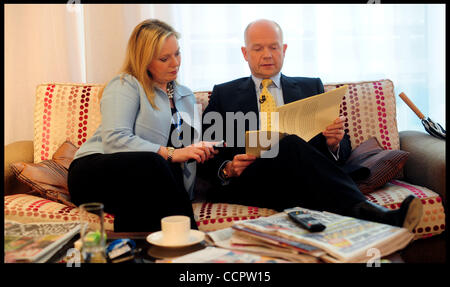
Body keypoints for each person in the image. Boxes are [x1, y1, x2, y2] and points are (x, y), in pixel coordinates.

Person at [199, 19, 422, 231]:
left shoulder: (310, 87)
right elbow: (205, 153)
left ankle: (353, 218)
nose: (267, 55)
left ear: (284, 49)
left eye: (274, 47)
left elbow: (343, 149)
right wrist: (228, 168)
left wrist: (334, 144)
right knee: (289, 143)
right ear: (245, 53)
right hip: (252, 180)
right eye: (258, 49)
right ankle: (372, 213)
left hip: (301, 178)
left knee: (291, 148)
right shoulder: (223, 94)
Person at [68, 19, 218, 232]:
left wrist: (199, 150)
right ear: (144, 60)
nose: (175, 63)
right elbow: (114, 140)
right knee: (154, 162)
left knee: (144, 191)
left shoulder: (186, 96)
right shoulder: (126, 85)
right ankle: (192, 245)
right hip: (94, 170)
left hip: (146, 177)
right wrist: (170, 153)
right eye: (164, 58)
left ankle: (135, 253)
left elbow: (183, 156)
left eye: (178, 53)